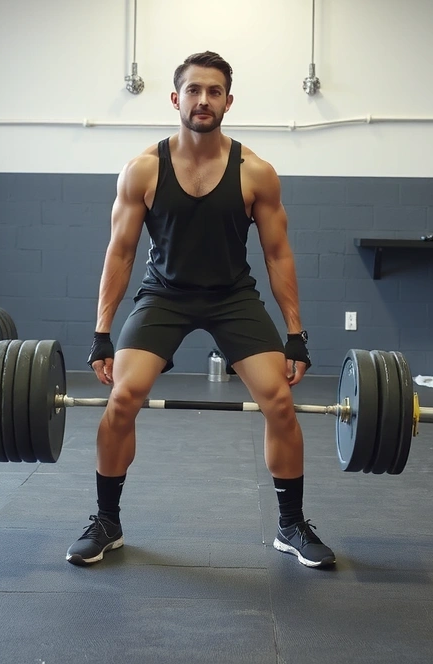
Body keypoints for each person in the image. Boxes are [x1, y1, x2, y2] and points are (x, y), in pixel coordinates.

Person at [66, 51, 335, 569]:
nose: (203, 100)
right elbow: (120, 253)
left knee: (279, 402)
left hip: (232, 296)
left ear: (228, 102)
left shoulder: (256, 172)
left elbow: (278, 255)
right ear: (176, 99)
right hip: (164, 295)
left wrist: (295, 334)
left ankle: (291, 525)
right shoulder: (143, 169)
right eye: (193, 90)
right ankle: (107, 521)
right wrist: (102, 332)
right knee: (123, 398)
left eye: (214, 91)